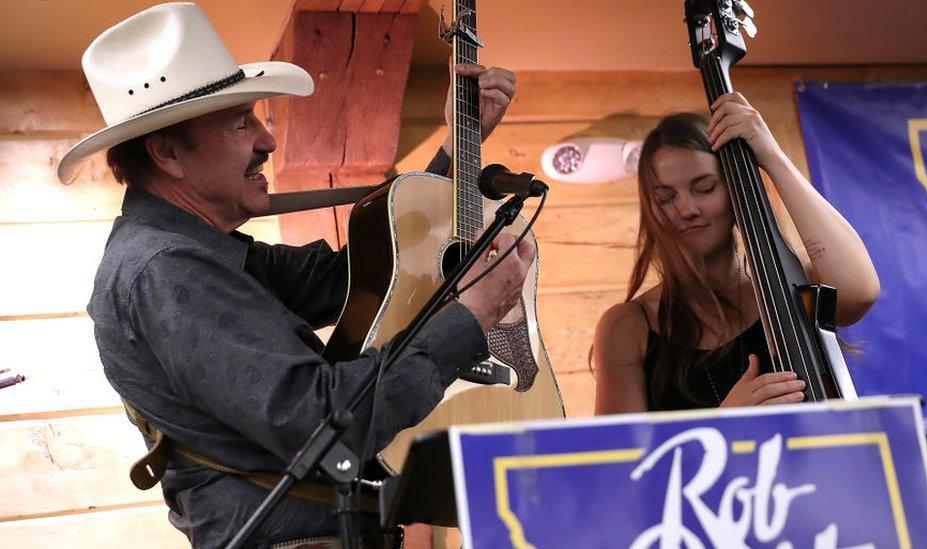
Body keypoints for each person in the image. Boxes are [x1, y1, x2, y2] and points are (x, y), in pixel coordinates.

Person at [60, 3, 527, 547]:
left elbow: (371, 270)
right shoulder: (167, 270)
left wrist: (458, 144)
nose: (267, 140)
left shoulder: (199, 253)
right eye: (241, 124)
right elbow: (325, 423)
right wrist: (472, 318)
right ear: (167, 153)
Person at [593, 93, 881, 414]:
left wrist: (770, 155)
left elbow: (861, 291)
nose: (687, 209)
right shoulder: (628, 328)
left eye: (705, 188)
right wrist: (724, 425)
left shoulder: (792, 285)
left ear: (735, 190)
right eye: (665, 198)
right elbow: (624, 462)